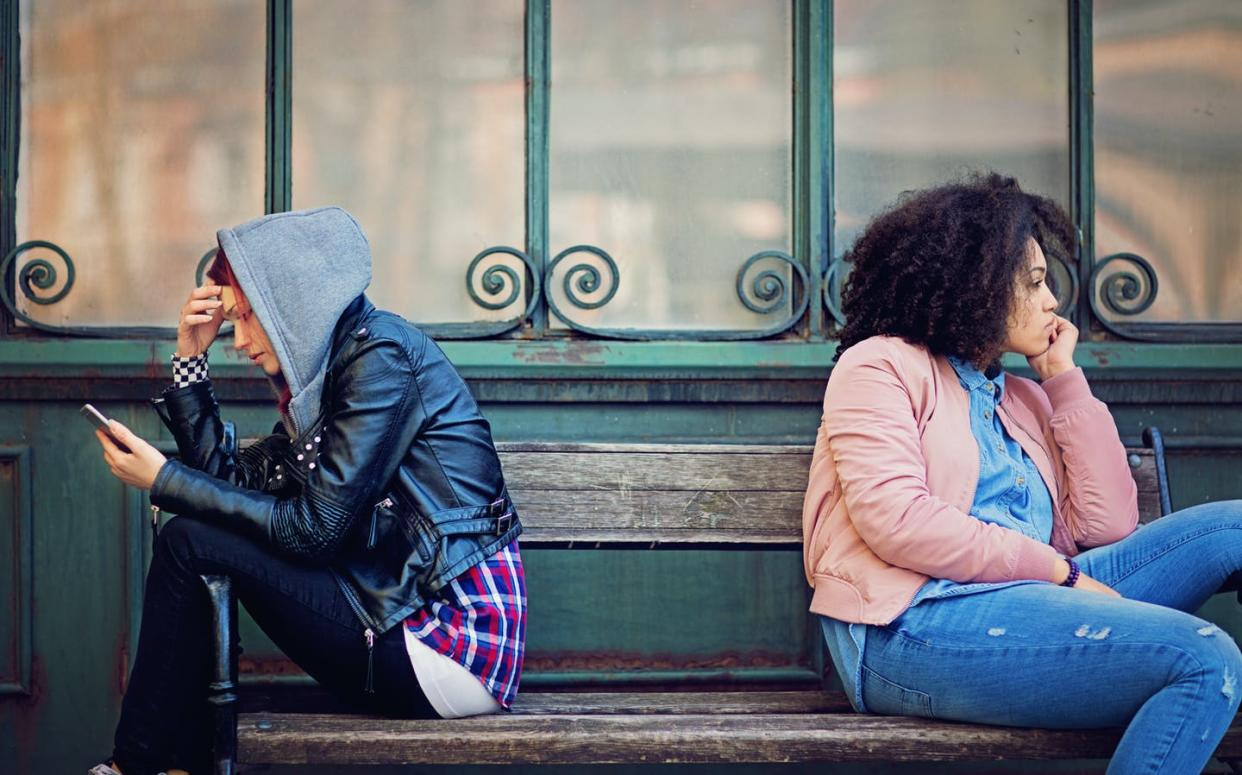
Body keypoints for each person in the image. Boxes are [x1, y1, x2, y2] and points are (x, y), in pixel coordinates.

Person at [802, 173, 1242, 773]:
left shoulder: (1025, 397)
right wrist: (1057, 574)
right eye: (1034, 282)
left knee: (1234, 529)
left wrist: (1063, 380)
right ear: (976, 286)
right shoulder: (878, 367)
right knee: (1204, 658)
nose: (1052, 301)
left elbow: (1108, 525)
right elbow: (896, 520)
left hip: (1040, 598)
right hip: (913, 628)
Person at [89, 207, 526, 775]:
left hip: (453, 644)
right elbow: (233, 486)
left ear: (292, 305)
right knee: (194, 539)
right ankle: (168, 764)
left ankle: (140, 765)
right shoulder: (327, 384)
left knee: (189, 541)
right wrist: (190, 362)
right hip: (399, 619)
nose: (240, 341)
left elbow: (315, 532)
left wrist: (167, 480)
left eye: (248, 318)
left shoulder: (381, 360)